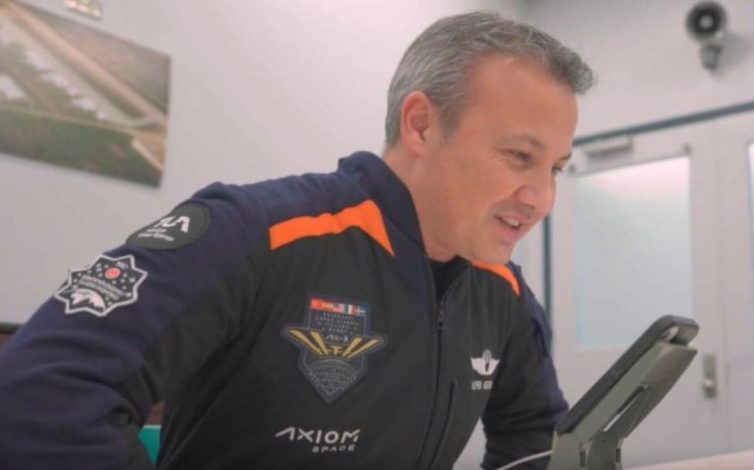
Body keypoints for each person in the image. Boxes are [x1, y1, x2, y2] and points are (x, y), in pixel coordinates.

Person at [0, 10, 593, 470]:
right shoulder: (254, 231)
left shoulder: (501, 291)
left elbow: (536, 441)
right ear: (421, 125)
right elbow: (38, 393)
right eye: (520, 157)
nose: (541, 199)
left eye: (556, 169)